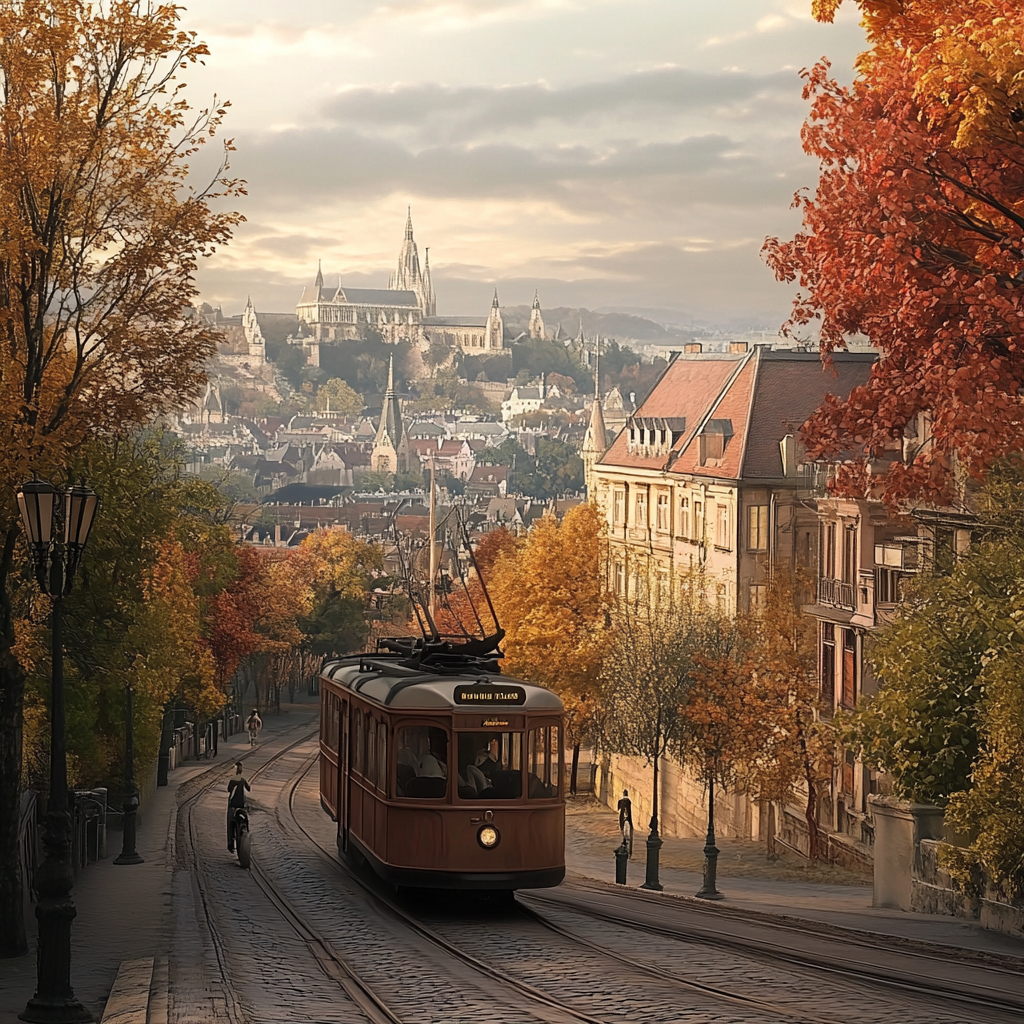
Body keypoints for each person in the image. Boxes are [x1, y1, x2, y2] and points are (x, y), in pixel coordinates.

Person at [227, 762, 250, 853]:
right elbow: (249, 788)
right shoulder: (243, 780)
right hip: (241, 804)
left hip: (232, 805)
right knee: (246, 818)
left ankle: (230, 844)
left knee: (230, 823)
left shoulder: (232, 781)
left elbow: (229, 790)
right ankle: (247, 832)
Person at [617, 789, 633, 853]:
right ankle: (626, 843)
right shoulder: (629, 801)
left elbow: (618, 808)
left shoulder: (620, 801)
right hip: (628, 818)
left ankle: (624, 841)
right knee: (627, 831)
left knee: (624, 830)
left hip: (623, 817)